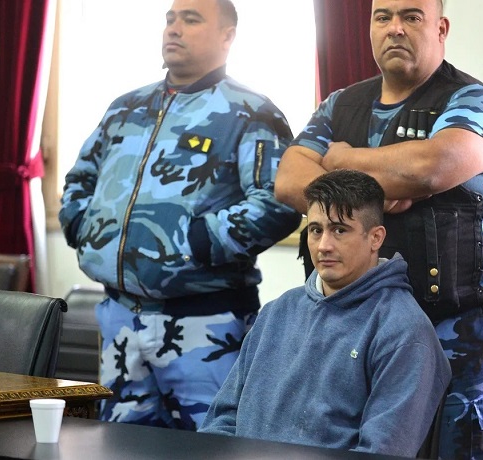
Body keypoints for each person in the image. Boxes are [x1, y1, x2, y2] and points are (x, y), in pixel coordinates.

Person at [274, 0, 483, 457]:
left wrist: (342, 160)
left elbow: (431, 167)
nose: (395, 29)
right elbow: (289, 180)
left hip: (454, 338)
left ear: (441, 28)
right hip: (349, 334)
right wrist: (372, 192)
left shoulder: (474, 100)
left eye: (411, 17)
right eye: (382, 16)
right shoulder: (341, 105)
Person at [58, 0, 301, 430]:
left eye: (191, 19)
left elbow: (278, 202)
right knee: (118, 447)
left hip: (205, 324)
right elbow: (81, 178)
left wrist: (201, 241)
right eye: (170, 18)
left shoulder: (251, 112)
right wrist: (82, 227)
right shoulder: (125, 107)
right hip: (120, 319)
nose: (174, 28)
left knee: (209, 447)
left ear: (227, 36)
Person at [201, 169, 451, 456]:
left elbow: (381, 452)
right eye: (316, 230)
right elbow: (221, 422)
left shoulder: (405, 331)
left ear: (375, 238)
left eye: (340, 230)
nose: (324, 246)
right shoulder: (276, 312)